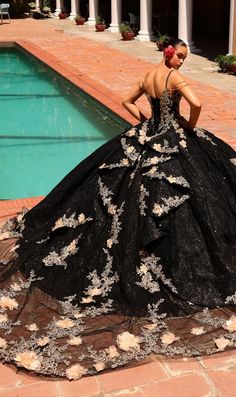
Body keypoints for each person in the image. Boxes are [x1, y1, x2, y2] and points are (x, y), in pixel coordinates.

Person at [0, 38, 235, 380]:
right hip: (173, 136)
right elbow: (196, 103)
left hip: (147, 132)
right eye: (180, 56)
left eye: (184, 58)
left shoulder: (149, 76)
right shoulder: (174, 79)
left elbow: (127, 101)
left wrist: (146, 123)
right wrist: (186, 126)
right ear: (171, 55)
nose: (182, 62)